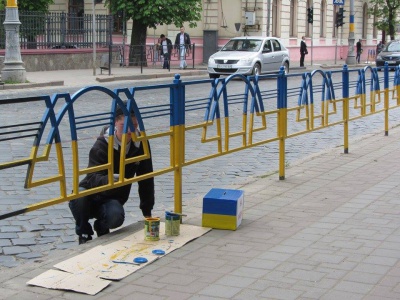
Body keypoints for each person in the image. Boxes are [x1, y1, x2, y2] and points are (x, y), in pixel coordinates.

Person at [69, 101, 155, 244]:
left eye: (134, 126)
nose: (130, 131)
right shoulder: (102, 145)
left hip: (113, 197)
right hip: (91, 193)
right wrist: (108, 179)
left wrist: (147, 212)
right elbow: (91, 177)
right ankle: (83, 232)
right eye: (124, 126)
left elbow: (146, 178)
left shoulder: (140, 143)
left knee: (115, 217)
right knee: (79, 197)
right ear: (115, 122)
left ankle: (102, 226)